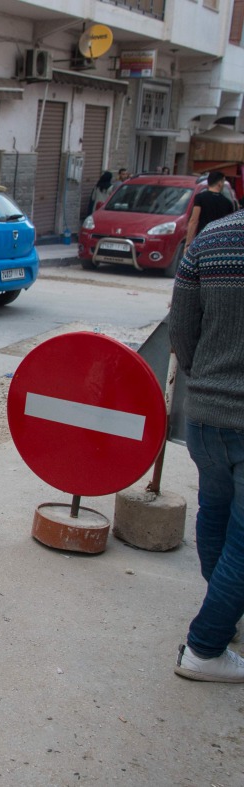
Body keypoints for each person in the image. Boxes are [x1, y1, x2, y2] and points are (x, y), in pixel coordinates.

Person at [169, 205, 244, 683]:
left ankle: (224, 613)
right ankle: (206, 647)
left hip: (207, 418)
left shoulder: (212, 240)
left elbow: (181, 331)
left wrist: (207, 383)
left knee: (215, 512)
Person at [186, 171, 235, 247]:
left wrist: (188, 244)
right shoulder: (227, 202)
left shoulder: (200, 198)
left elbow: (194, 221)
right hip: (220, 241)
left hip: (202, 239)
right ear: (219, 183)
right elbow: (230, 226)